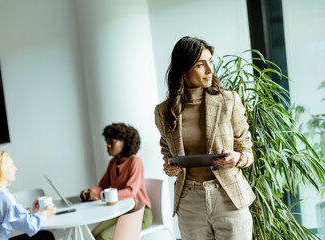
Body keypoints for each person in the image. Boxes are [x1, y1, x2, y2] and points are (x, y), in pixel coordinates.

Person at [154, 36, 255, 240]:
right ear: (183, 70)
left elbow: (247, 151)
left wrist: (238, 158)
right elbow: (167, 152)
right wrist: (170, 167)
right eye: (201, 64)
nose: (210, 70)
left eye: (210, 62)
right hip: (190, 202)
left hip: (229, 198)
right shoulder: (163, 111)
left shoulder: (229, 101)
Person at [80, 123, 153, 240]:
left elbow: (130, 191)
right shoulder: (112, 163)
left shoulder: (135, 161)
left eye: (111, 143)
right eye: (107, 143)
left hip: (139, 213)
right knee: (92, 236)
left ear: (124, 143)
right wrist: (90, 191)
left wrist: (100, 197)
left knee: (104, 237)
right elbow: (103, 185)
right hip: (120, 211)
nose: (108, 146)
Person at [0, 150, 57, 240]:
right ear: (0, 171)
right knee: (46, 236)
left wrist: (31, 210)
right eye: (11, 166)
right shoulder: (2, 196)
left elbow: (10, 215)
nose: (15, 168)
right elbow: (30, 225)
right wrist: (45, 214)